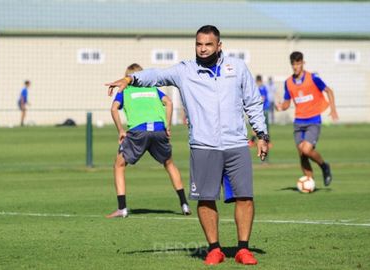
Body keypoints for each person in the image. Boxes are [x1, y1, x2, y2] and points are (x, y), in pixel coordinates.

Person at [107, 25, 269, 266]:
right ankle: (214, 249)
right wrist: (131, 79)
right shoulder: (185, 71)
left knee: (244, 197)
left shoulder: (237, 68)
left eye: (208, 44)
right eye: (199, 44)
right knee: (206, 198)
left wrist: (261, 133)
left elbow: (253, 103)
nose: (202, 49)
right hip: (203, 145)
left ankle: (243, 249)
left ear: (219, 46)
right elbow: (156, 75)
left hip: (236, 143)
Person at [107, 63, 191, 218]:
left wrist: (120, 131)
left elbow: (113, 109)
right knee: (169, 163)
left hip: (138, 131)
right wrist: (167, 125)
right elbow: (169, 103)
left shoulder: (126, 90)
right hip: (159, 129)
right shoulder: (153, 89)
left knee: (119, 165)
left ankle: (122, 208)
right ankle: (184, 204)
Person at [276, 51, 338, 186]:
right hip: (299, 122)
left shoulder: (313, 78)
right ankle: (309, 182)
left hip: (313, 121)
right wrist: (281, 107)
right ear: (291, 65)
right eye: (293, 64)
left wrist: (333, 110)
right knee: (302, 154)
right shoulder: (288, 83)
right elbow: (287, 102)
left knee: (307, 149)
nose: (296, 67)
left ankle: (324, 166)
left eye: (298, 63)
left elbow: (329, 91)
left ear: (303, 63)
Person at [249, 75, 270, 148]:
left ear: (258, 81)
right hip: (263, 109)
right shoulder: (262, 87)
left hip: (262, 109)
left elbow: (263, 98)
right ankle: (265, 141)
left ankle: (253, 141)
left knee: (257, 126)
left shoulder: (261, 88)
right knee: (261, 127)